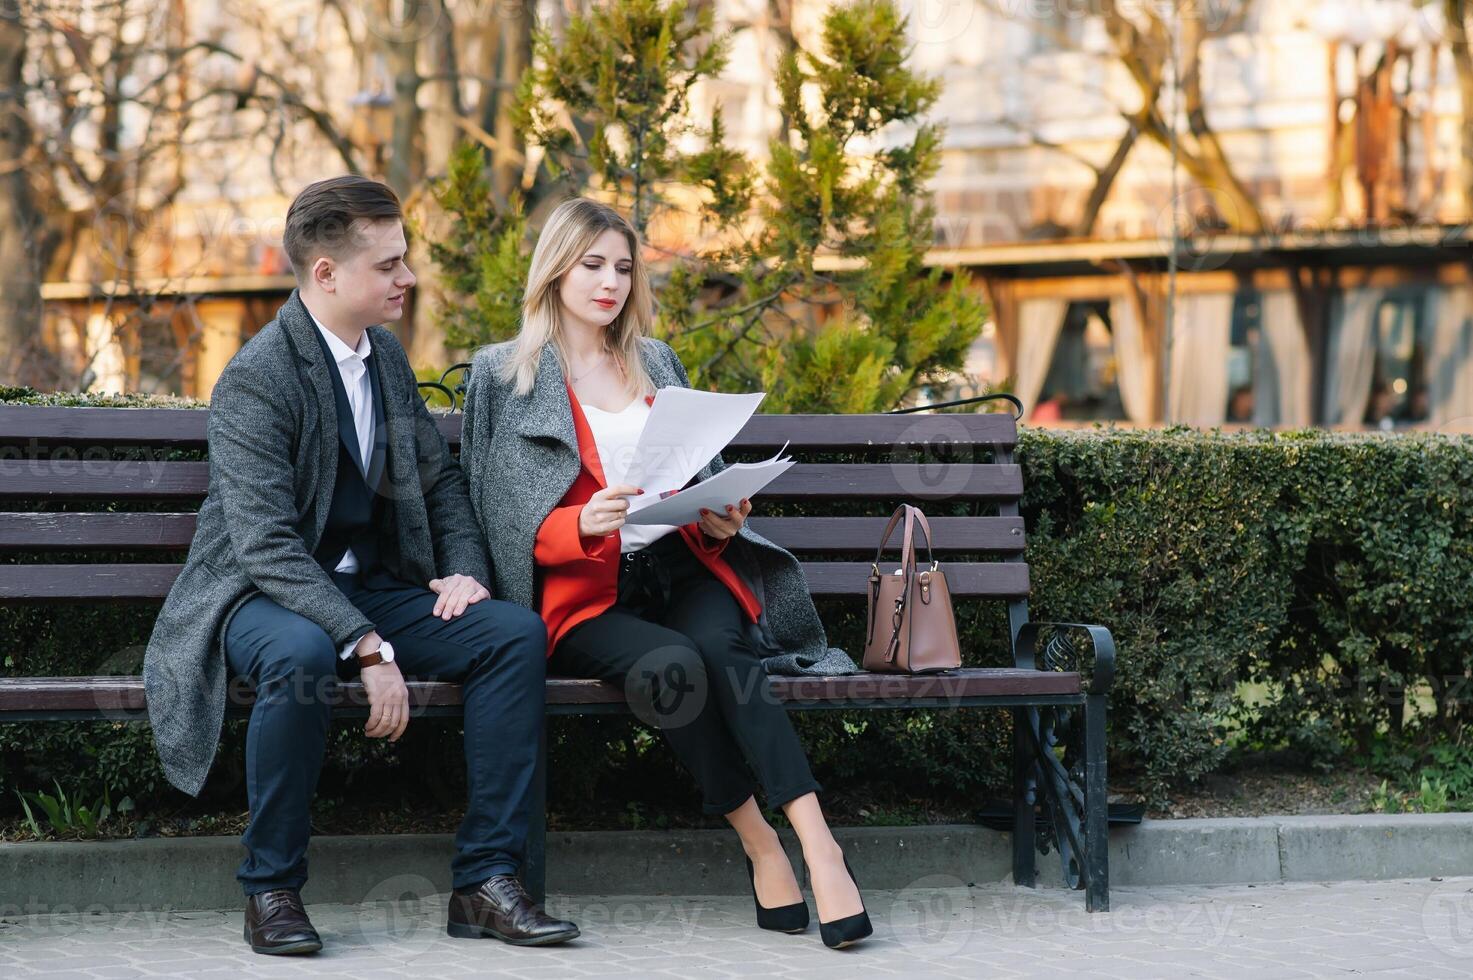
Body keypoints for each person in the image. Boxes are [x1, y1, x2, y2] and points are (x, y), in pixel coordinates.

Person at [142, 176, 579, 955]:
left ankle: (485, 880)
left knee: (510, 634)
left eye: (403, 260)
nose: (407, 278)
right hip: (260, 596)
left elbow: (439, 482)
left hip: (372, 584)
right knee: (304, 653)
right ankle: (271, 889)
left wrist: (464, 570)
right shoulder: (258, 377)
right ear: (326, 275)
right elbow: (267, 547)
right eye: (389, 265)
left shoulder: (384, 355)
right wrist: (366, 645)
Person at [458, 197, 871, 949]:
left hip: (679, 566)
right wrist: (573, 524)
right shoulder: (502, 373)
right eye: (592, 265)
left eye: (622, 266)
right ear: (555, 268)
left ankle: (820, 844)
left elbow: (691, 470)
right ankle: (758, 841)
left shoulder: (657, 360)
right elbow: (492, 508)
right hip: (585, 595)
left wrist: (719, 515)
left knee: (727, 653)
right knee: (674, 667)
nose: (609, 282)